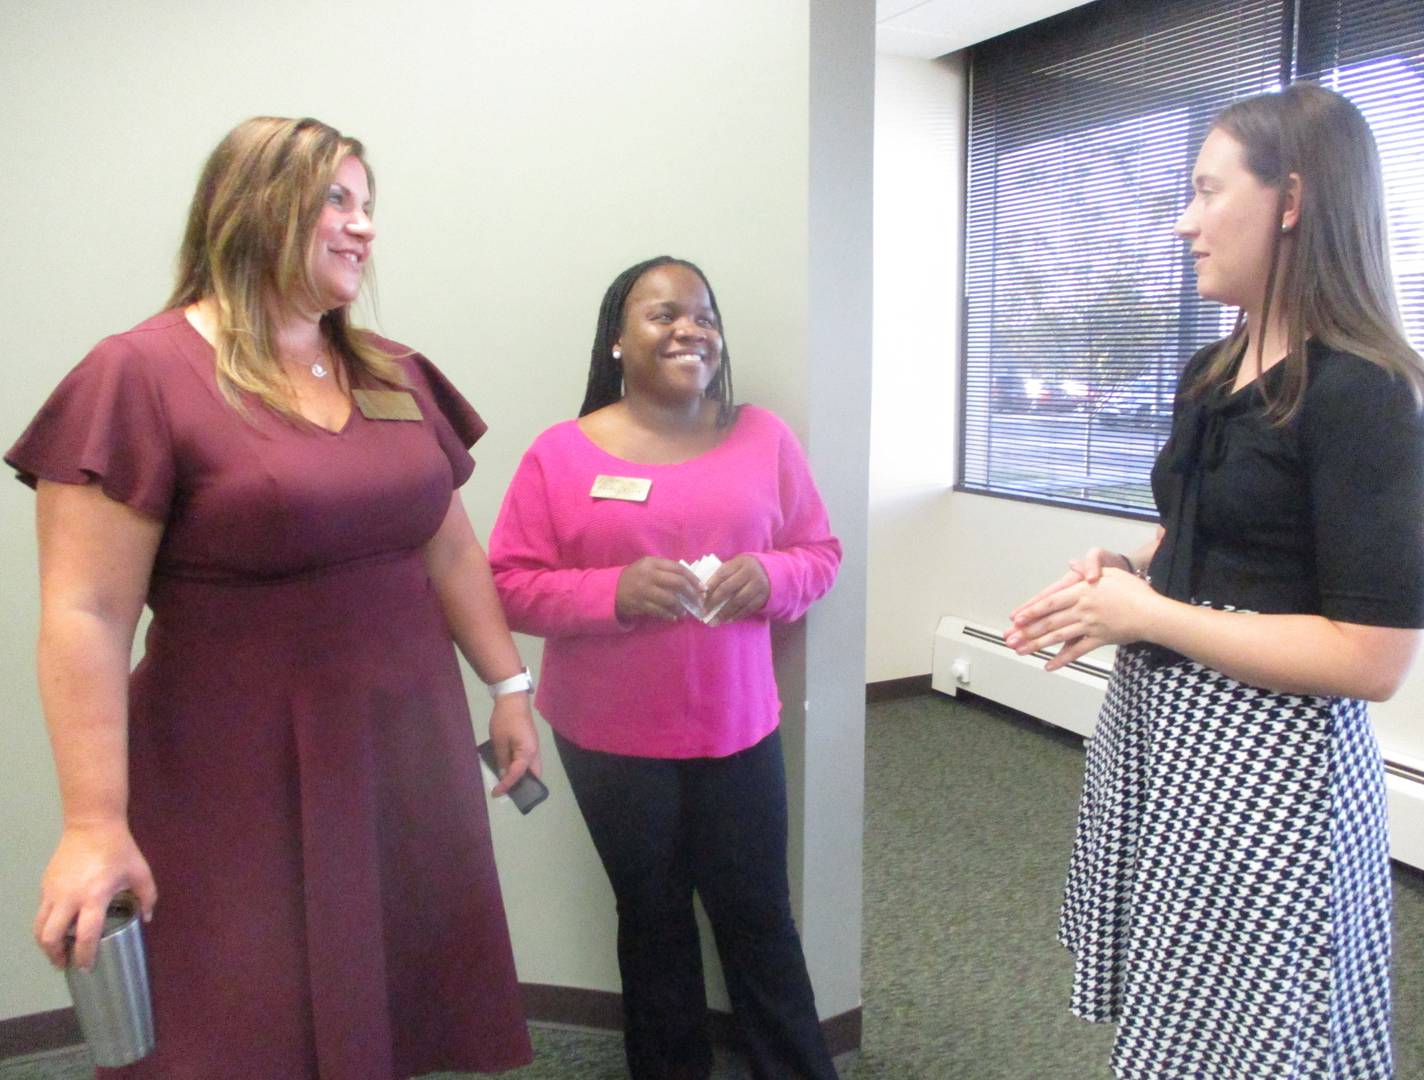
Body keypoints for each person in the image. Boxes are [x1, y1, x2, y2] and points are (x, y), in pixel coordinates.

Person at [7, 117, 538, 1079]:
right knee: (248, 1021)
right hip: (233, 764)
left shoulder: (388, 369)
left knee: (392, 997)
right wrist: (93, 822)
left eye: (368, 204)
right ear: (253, 204)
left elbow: (450, 548)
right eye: (337, 199)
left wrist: (509, 689)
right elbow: (84, 613)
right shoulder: (140, 374)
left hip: (402, 744)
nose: (363, 226)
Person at [1006, 83, 1424, 1078]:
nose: (1185, 221)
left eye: (1207, 192)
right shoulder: (1214, 369)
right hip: (1173, 734)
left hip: (1275, 764)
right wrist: (1129, 572)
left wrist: (1148, 613)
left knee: (1270, 1034)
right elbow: (1217, 534)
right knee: (1185, 1018)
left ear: (1290, 201)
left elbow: (1371, 657)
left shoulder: (1369, 393)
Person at [488, 256, 842, 1080]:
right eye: (664, 314)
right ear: (616, 340)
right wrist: (614, 592)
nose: (692, 329)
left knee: (758, 917)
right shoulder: (560, 455)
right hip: (609, 739)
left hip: (737, 726)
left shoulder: (764, 436)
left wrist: (774, 576)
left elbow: (819, 553)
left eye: (705, 315)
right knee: (651, 918)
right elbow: (506, 585)